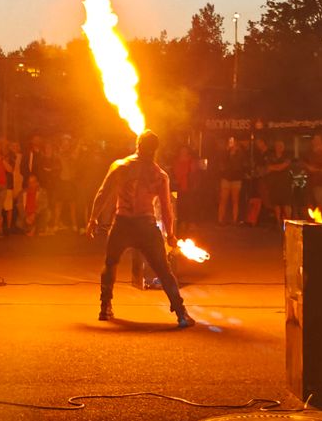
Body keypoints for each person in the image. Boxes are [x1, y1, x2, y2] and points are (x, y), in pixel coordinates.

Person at [86, 130, 194, 328]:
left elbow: (103, 193)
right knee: (163, 270)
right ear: (155, 150)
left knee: (111, 263)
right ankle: (181, 314)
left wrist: (93, 218)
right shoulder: (160, 175)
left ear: (137, 144)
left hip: (123, 222)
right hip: (146, 224)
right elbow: (166, 208)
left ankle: (104, 307)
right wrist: (170, 234)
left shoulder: (120, 166)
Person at [217, 137, 247, 225]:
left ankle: (234, 219)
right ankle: (220, 220)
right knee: (223, 200)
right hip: (226, 177)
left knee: (235, 200)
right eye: (229, 141)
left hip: (236, 178)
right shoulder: (225, 153)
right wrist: (227, 153)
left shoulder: (240, 153)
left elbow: (241, 164)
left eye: (233, 142)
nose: (231, 144)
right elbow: (222, 163)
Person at [264, 140, 294, 226]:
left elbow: (282, 167)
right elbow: (268, 167)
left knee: (286, 204)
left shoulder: (287, 156)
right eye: (278, 146)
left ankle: (289, 222)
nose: (279, 148)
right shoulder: (271, 157)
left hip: (285, 184)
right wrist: (277, 167)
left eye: (281, 146)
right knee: (276, 204)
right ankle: (278, 222)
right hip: (274, 184)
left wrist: (275, 167)